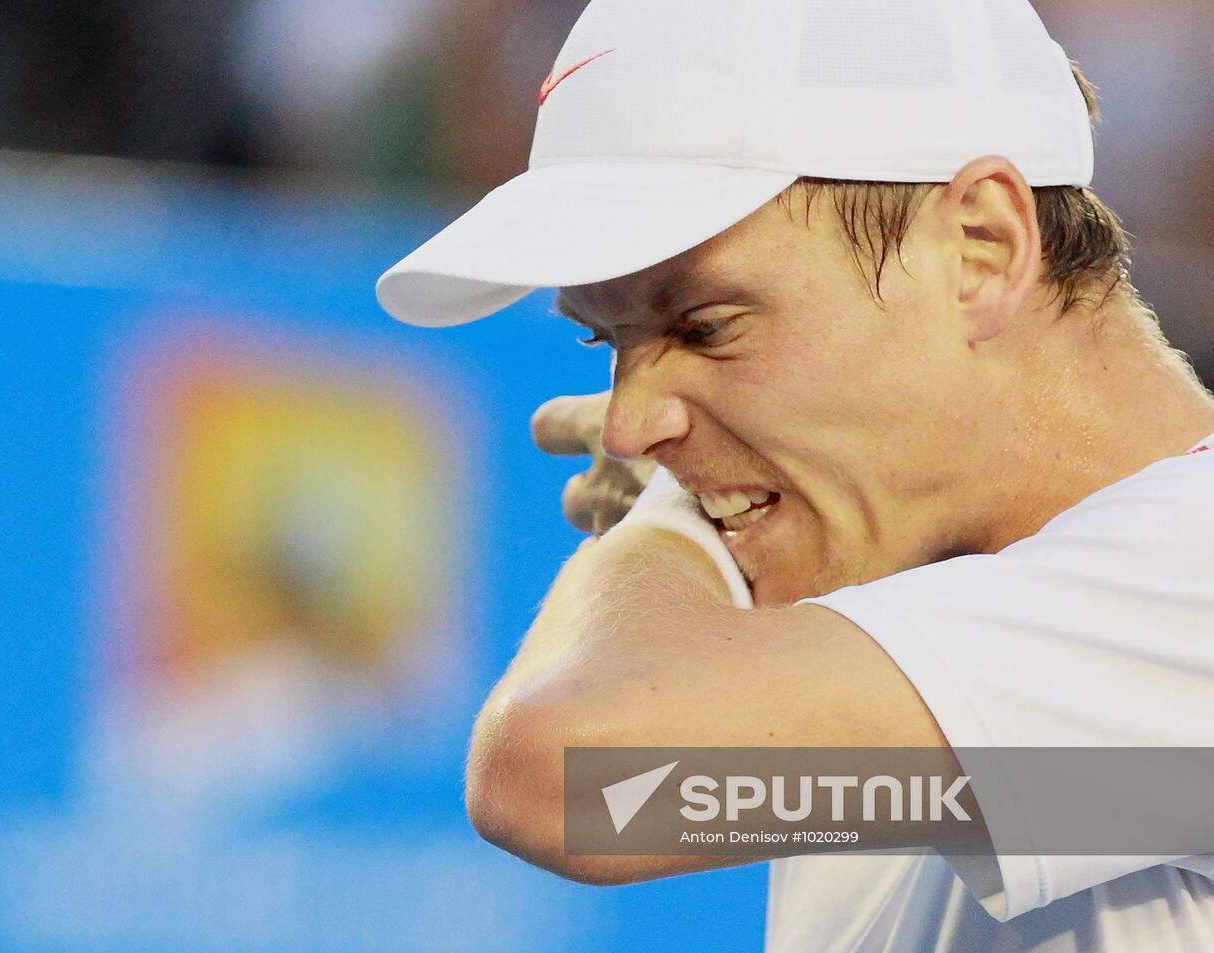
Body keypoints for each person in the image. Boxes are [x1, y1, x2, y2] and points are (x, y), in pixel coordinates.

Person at [376, 0, 1214, 950]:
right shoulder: (877, 604)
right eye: (603, 338)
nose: (631, 423)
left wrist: (668, 525)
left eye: (706, 325)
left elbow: (576, 782)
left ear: (982, 247)